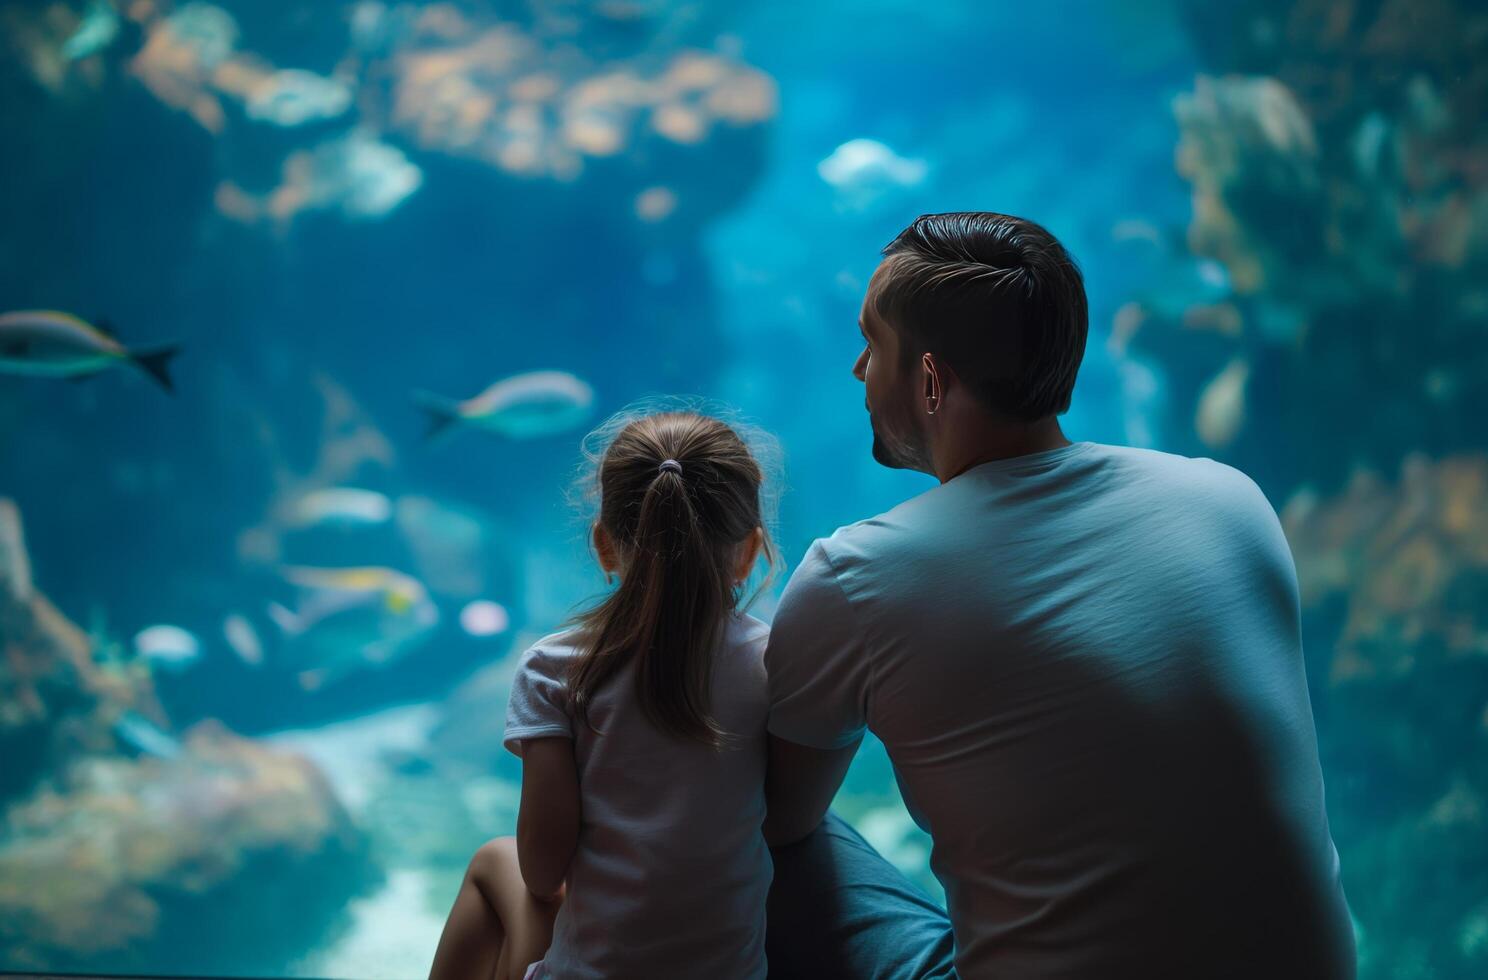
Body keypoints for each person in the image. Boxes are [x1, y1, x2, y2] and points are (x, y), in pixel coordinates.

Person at [762, 212, 1358, 978]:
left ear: (933, 379)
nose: (857, 370)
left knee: (745, 822)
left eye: (872, 344)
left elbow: (775, 821)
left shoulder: (856, 575)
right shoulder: (1231, 501)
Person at [427, 409, 778, 980]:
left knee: (494, 861)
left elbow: (543, 873)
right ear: (749, 552)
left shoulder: (555, 670)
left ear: (604, 546)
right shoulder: (779, 663)